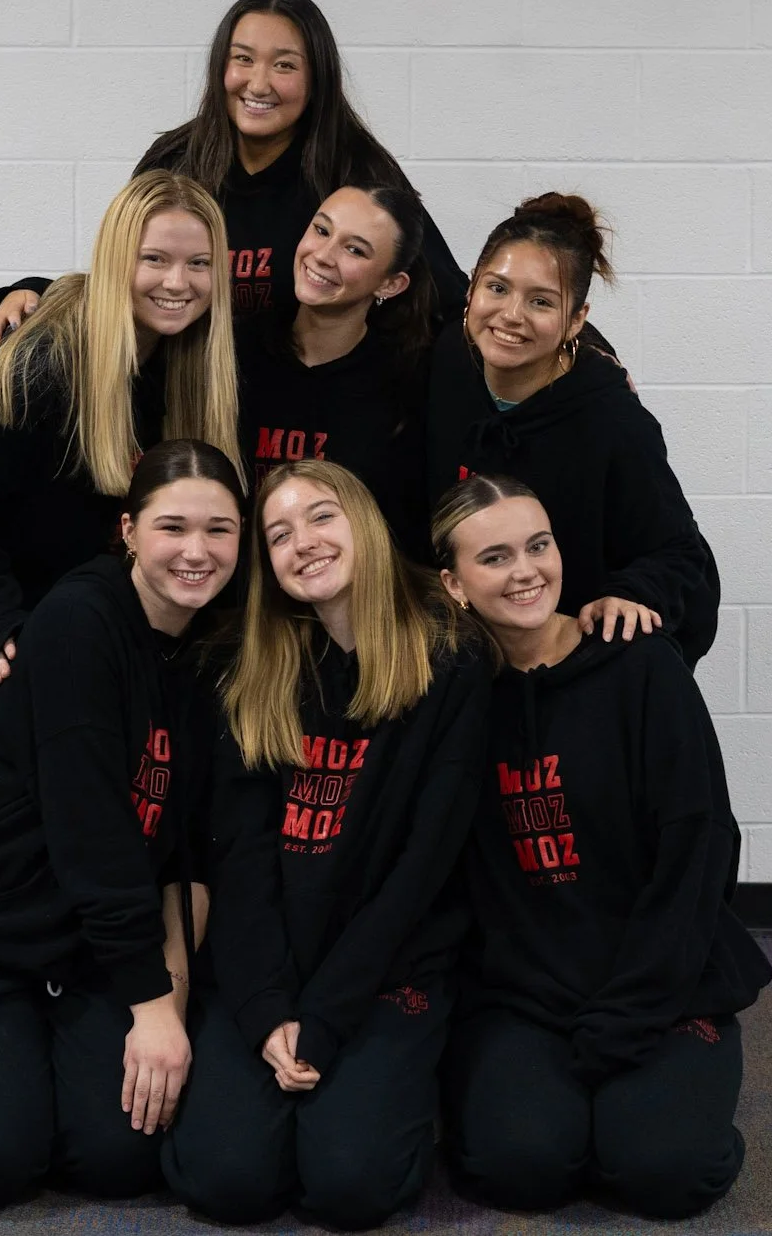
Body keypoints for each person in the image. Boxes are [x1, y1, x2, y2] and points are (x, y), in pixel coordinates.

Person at [0, 440, 246, 1209]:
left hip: (90, 951)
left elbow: (194, 853)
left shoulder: (216, 647)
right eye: (172, 526)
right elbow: (93, 833)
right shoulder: (80, 621)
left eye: (220, 530)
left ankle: (43, 1048)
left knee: (116, 1160)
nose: (196, 551)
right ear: (128, 530)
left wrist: (168, 1008)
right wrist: (147, 1009)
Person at [430, 474, 771, 1220]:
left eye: (539, 545)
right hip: (524, 994)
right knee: (520, 1167)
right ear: (454, 583)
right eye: (495, 556)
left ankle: (666, 1096)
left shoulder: (640, 662)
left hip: (663, 983)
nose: (526, 570)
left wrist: (629, 1013)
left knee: (664, 1173)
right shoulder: (453, 696)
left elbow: (700, 847)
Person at [163, 460, 489, 1230]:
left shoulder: (449, 657)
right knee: (226, 1183)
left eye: (321, 516)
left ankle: (399, 1094)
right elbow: (237, 861)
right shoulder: (255, 671)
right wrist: (265, 1007)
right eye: (278, 533)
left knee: (352, 1187)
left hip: (383, 970)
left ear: (366, 525)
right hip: (269, 966)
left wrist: (328, 1017)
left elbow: (420, 870)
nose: (302, 541)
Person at [0, 171, 240, 758]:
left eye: (199, 263)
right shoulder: (40, 366)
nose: (178, 282)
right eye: (155, 259)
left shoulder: (178, 361)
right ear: (117, 261)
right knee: (21, 787)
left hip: (44, 596)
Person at [0, 0, 467, 347]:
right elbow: (124, 279)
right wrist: (33, 292)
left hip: (316, 407)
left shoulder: (359, 171)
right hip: (187, 399)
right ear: (221, 68)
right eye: (243, 59)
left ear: (317, 78)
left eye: (284, 65)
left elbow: (447, 301)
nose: (258, 83)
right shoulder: (177, 160)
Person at [426, 193, 720, 666]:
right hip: (470, 656)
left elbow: (679, 552)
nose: (511, 315)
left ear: (575, 320)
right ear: (471, 289)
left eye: (541, 301)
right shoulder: (446, 364)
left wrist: (628, 594)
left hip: (565, 658)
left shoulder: (612, 419)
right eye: (497, 288)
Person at [237, 183, 436, 554]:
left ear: (391, 284)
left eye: (354, 249)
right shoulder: (236, 351)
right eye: (322, 230)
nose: (324, 255)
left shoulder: (406, 383)